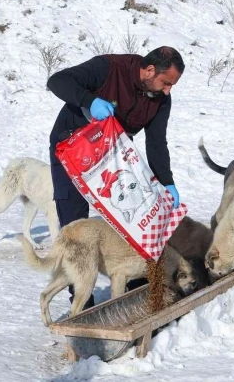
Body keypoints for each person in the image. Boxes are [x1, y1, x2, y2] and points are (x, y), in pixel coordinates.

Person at [46, 46, 185, 307]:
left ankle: (135, 283)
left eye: (172, 85)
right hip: (72, 147)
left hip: (111, 152)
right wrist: (89, 100)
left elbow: (156, 143)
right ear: (150, 70)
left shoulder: (160, 99)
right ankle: (81, 297)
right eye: (166, 83)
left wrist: (166, 181)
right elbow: (57, 81)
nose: (168, 90)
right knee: (76, 221)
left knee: (132, 211)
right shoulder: (109, 68)